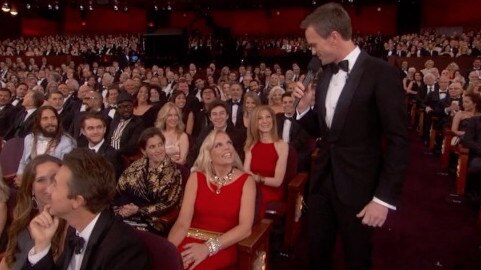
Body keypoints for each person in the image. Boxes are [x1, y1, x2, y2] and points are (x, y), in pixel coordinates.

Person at [293, 3, 408, 269]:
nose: (312, 52)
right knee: (316, 255)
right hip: (322, 184)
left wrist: (383, 199)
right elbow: (325, 133)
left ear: (333, 36)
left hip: (359, 189)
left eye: (313, 45)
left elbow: (398, 142)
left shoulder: (382, 73)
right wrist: (303, 109)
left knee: (357, 258)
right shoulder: (323, 75)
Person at [23, 148, 151, 269]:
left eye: (55, 184)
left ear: (77, 201)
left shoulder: (123, 249)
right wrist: (42, 246)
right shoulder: (75, 231)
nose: (48, 190)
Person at [168, 130, 255, 269]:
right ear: (208, 155)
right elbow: (182, 223)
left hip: (223, 244)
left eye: (229, 143)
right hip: (189, 241)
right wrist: (168, 252)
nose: (227, 147)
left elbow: (245, 229)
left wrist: (207, 248)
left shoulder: (247, 181)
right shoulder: (196, 177)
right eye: (218, 145)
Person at [1, 155, 66, 270]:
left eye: (55, 178)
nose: (49, 186)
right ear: (31, 188)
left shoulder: (69, 225)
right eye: (41, 180)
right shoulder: (23, 219)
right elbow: (7, 260)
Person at [114, 127, 183, 234]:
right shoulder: (136, 165)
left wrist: (139, 210)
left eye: (160, 145)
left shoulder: (173, 172)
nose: (158, 150)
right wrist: (123, 207)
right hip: (128, 212)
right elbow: (120, 187)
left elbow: (169, 204)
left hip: (154, 220)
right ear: (143, 151)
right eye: (152, 147)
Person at [244, 105, 288, 218]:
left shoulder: (282, 146)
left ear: (273, 120)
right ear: (255, 122)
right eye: (260, 118)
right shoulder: (251, 145)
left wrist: (256, 178)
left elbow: (277, 181)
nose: (265, 121)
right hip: (252, 188)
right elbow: (245, 173)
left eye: (268, 117)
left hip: (271, 192)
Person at [16, 106, 76, 185]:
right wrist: (20, 174)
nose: (50, 122)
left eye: (53, 118)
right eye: (45, 119)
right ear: (38, 122)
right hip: (29, 180)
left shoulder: (66, 142)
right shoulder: (30, 138)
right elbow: (23, 161)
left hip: (52, 183)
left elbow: (65, 170)